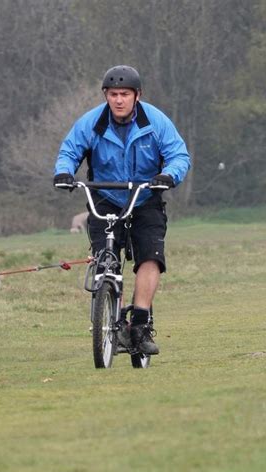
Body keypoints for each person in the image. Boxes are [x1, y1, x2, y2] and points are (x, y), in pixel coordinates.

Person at [53, 65, 190, 355]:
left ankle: (139, 324)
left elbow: (178, 154)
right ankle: (111, 310)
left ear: (137, 95)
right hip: (106, 196)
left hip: (145, 196)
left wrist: (168, 175)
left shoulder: (156, 121)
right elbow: (69, 151)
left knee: (150, 258)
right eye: (113, 94)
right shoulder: (91, 123)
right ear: (106, 95)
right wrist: (64, 173)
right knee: (106, 262)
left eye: (124, 94)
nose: (118, 100)